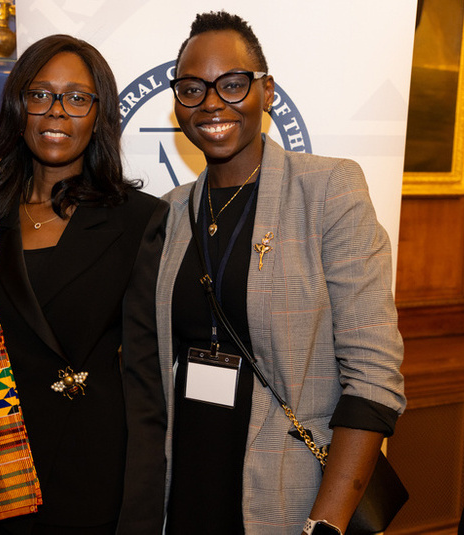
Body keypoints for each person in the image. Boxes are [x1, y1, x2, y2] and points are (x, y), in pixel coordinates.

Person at [157, 11, 406, 535]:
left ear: (266, 91)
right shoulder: (171, 212)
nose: (212, 103)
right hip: (184, 487)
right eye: (192, 89)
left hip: (289, 500)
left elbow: (375, 374)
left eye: (232, 84)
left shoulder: (327, 191)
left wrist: (327, 524)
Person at [0, 34, 168, 535]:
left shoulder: (139, 221)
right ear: (18, 104)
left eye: (76, 98)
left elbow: (148, 381)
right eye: (40, 94)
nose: (56, 112)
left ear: (99, 115)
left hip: (89, 469)